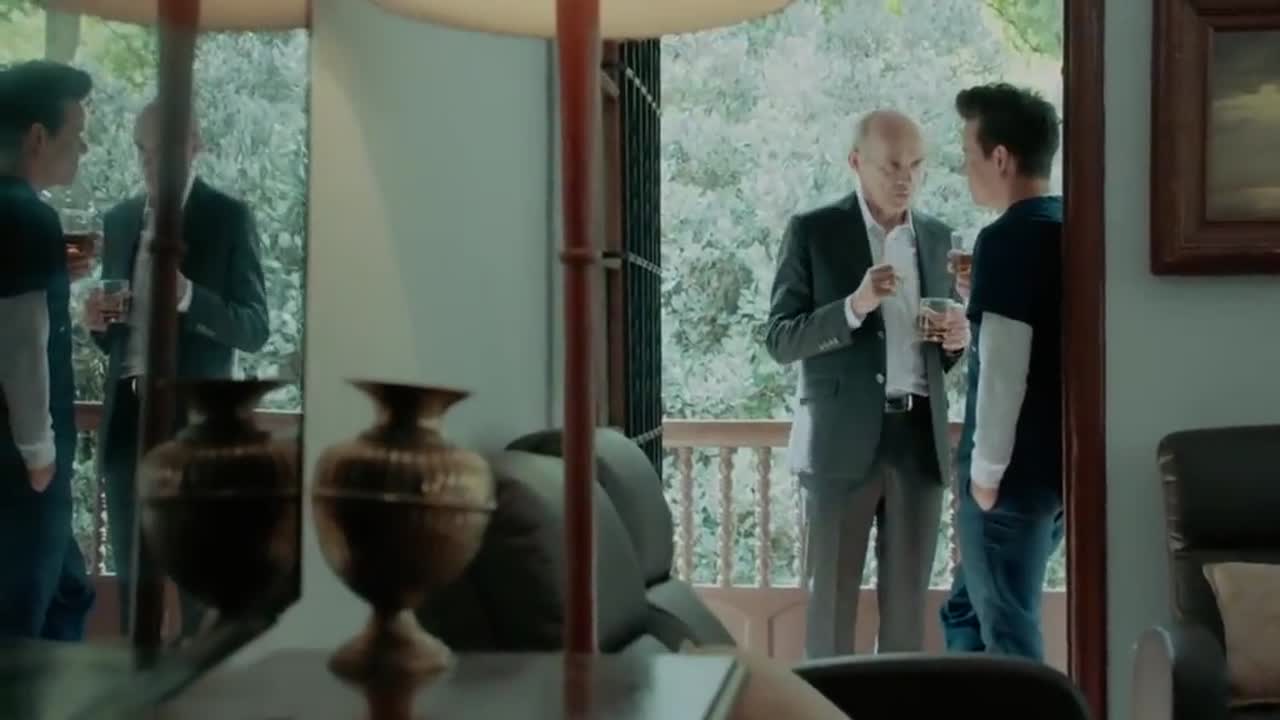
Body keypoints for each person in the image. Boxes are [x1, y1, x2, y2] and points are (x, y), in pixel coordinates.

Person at [764, 109, 968, 658]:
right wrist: (854, 305)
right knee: (830, 612)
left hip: (918, 443)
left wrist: (956, 339)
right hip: (839, 445)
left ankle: (895, 703)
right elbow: (780, 340)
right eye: (891, 166)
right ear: (856, 162)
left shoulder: (938, 238)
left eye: (917, 165)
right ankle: (823, 705)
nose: (906, 179)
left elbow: (934, 354)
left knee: (906, 616)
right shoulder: (814, 231)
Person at [85, 99, 269, 637]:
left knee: (197, 574)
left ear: (194, 146)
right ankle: (137, 679)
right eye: (141, 151)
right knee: (131, 575)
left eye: (160, 150)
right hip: (127, 418)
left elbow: (254, 328)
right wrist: (96, 323)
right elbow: (116, 340)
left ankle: (199, 679)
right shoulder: (120, 220)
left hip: (194, 421)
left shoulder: (229, 218)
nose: (149, 163)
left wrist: (190, 296)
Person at [939, 83, 1064, 661]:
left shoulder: (1007, 238)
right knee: (965, 609)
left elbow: (1004, 367)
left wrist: (985, 475)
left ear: (1001, 157)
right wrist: (979, 295)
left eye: (969, 154)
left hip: (1009, 477)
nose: (966, 168)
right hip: (1054, 469)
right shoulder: (1063, 225)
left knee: (1010, 635)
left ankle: (1023, 703)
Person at [0, 60, 97, 641]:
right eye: (76, 132)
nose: (83, 146)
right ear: (38, 137)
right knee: (22, 624)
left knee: (68, 591)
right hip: (19, 463)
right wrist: (39, 454)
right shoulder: (28, 217)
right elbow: (20, 342)